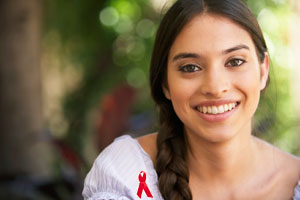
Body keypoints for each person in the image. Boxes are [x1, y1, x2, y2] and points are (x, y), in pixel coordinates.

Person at [82, 0, 300, 199]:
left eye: (235, 62)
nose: (215, 88)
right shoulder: (127, 176)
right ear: (165, 83)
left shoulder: (295, 183)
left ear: (263, 71)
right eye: (190, 67)